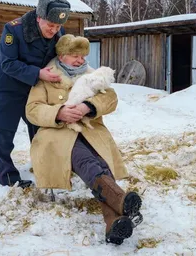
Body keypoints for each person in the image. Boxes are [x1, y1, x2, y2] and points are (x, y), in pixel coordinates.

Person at [26, 34, 143, 245]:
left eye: (83, 56)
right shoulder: (46, 77)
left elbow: (110, 98)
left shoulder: (92, 75)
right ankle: (121, 201)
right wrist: (59, 112)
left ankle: (114, 222)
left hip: (89, 129)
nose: (80, 60)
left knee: (101, 161)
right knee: (86, 161)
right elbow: (32, 110)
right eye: (74, 56)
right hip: (57, 133)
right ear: (61, 57)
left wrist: (88, 107)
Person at [0, 0, 71, 188]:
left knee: (39, 127)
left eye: (58, 26)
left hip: (33, 87)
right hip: (4, 86)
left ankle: (44, 166)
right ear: (39, 17)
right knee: (4, 131)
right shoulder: (13, 30)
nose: (54, 30)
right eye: (50, 25)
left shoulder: (59, 31)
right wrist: (39, 73)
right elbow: (8, 63)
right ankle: (6, 175)